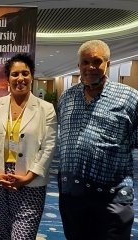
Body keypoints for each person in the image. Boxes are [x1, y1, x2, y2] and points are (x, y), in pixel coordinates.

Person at [57, 39, 138, 240]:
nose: (90, 67)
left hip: (112, 197)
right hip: (72, 195)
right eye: (85, 62)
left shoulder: (129, 98)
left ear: (107, 64)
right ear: (79, 66)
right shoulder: (67, 97)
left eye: (97, 61)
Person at [0, 54, 57, 240]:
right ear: (8, 78)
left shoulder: (46, 109)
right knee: (2, 233)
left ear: (31, 76)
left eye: (25, 73)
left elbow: (49, 146)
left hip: (30, 180)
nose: (20, 78)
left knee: (22, 235)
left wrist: (29, 176)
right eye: (15, 74)